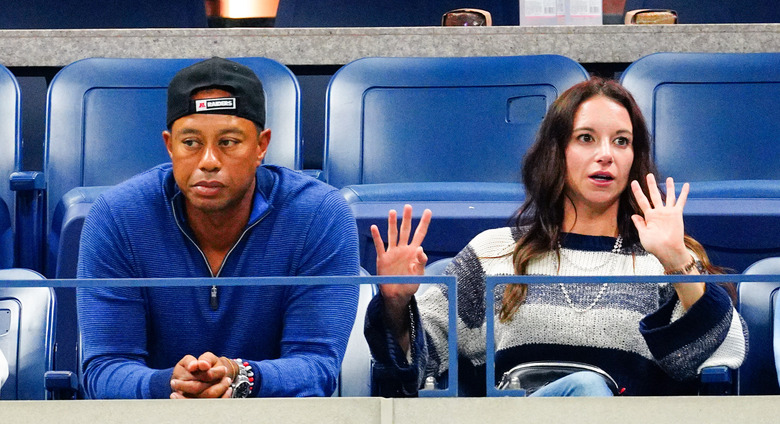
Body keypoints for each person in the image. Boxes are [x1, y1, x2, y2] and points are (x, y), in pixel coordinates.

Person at [365, 77, 747, 397]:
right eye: (585, 138)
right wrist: (396, 304)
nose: (605, 155)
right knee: (585, 388)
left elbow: (724, 357)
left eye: (621, 141)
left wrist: (678, 262)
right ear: (556, 152)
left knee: (588, 389)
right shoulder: (494, 253)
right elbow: (415, 366)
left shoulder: (666, 260)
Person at [77, 57, 360, 399]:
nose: (208, 161)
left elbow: (317, 367)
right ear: (170, 146)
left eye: (228, 142)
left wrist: (240, 376)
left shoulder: (319, 215)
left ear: (261, 147)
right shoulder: (117, 217)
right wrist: (171, 384)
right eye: (191, 143)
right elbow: (104, 369)